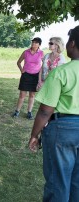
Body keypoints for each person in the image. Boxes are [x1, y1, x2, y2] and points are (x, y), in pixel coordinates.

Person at [28, 26, 79, 201]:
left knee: (58, 182)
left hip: (63, 130)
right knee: (77, 182)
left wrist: (34, 135)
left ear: (72, 43)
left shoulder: (61, 72)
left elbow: (45, 111)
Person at [12, 37, 44, 119]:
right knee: (22, 95)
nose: (33, 44)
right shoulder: (26, 52)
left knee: (32, 95)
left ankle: (29, 112)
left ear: (39, 45)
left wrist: (40, 78)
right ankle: (17, 111)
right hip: (26, 75)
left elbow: (44, 66)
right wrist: (22, 70)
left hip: (35, 76)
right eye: (33, 42)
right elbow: (18, 62)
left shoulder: (41, 53)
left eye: (36, 42)